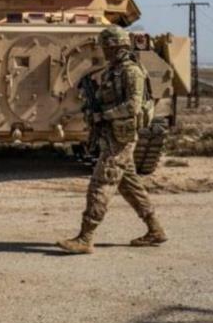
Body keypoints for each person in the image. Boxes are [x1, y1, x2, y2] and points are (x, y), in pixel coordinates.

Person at [57, 25, 166, 254]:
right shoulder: (113, 70)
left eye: (106, 47)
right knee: (129, 185)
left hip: (121, 136)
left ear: (115, 46)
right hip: (112, 133)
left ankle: (86, 237)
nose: (103, 51)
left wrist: (103, 115)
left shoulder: (130, 71)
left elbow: (132, 107)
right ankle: (155, 229)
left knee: (102, 182)